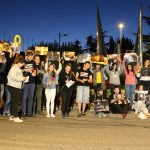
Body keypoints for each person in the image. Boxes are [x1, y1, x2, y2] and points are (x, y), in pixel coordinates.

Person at [7, 55, 26, 123]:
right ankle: (15, 117)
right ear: (19, 62)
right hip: (13, 86)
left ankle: (12, 116)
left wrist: (22, 78)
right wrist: (22, 78)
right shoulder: (14, 68)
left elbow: (16, 77)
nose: (23, 64)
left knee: (13, 101)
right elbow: (14, 78)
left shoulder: (17, 68)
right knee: (16, 102)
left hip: (14, 86)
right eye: (23, 62)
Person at [22, 50, 37, 117]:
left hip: (32, 82)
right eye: (30, 57)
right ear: (27, 56)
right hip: (25, 81)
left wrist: (34, 73)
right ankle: (23, 112)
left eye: (32, 57)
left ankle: (29, 112)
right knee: (24, 97)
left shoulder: (33, 62)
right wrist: (25, 70)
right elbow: (19, 69)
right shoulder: (23, 62)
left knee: (31, 97)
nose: (31, 58)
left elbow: (35, 70)